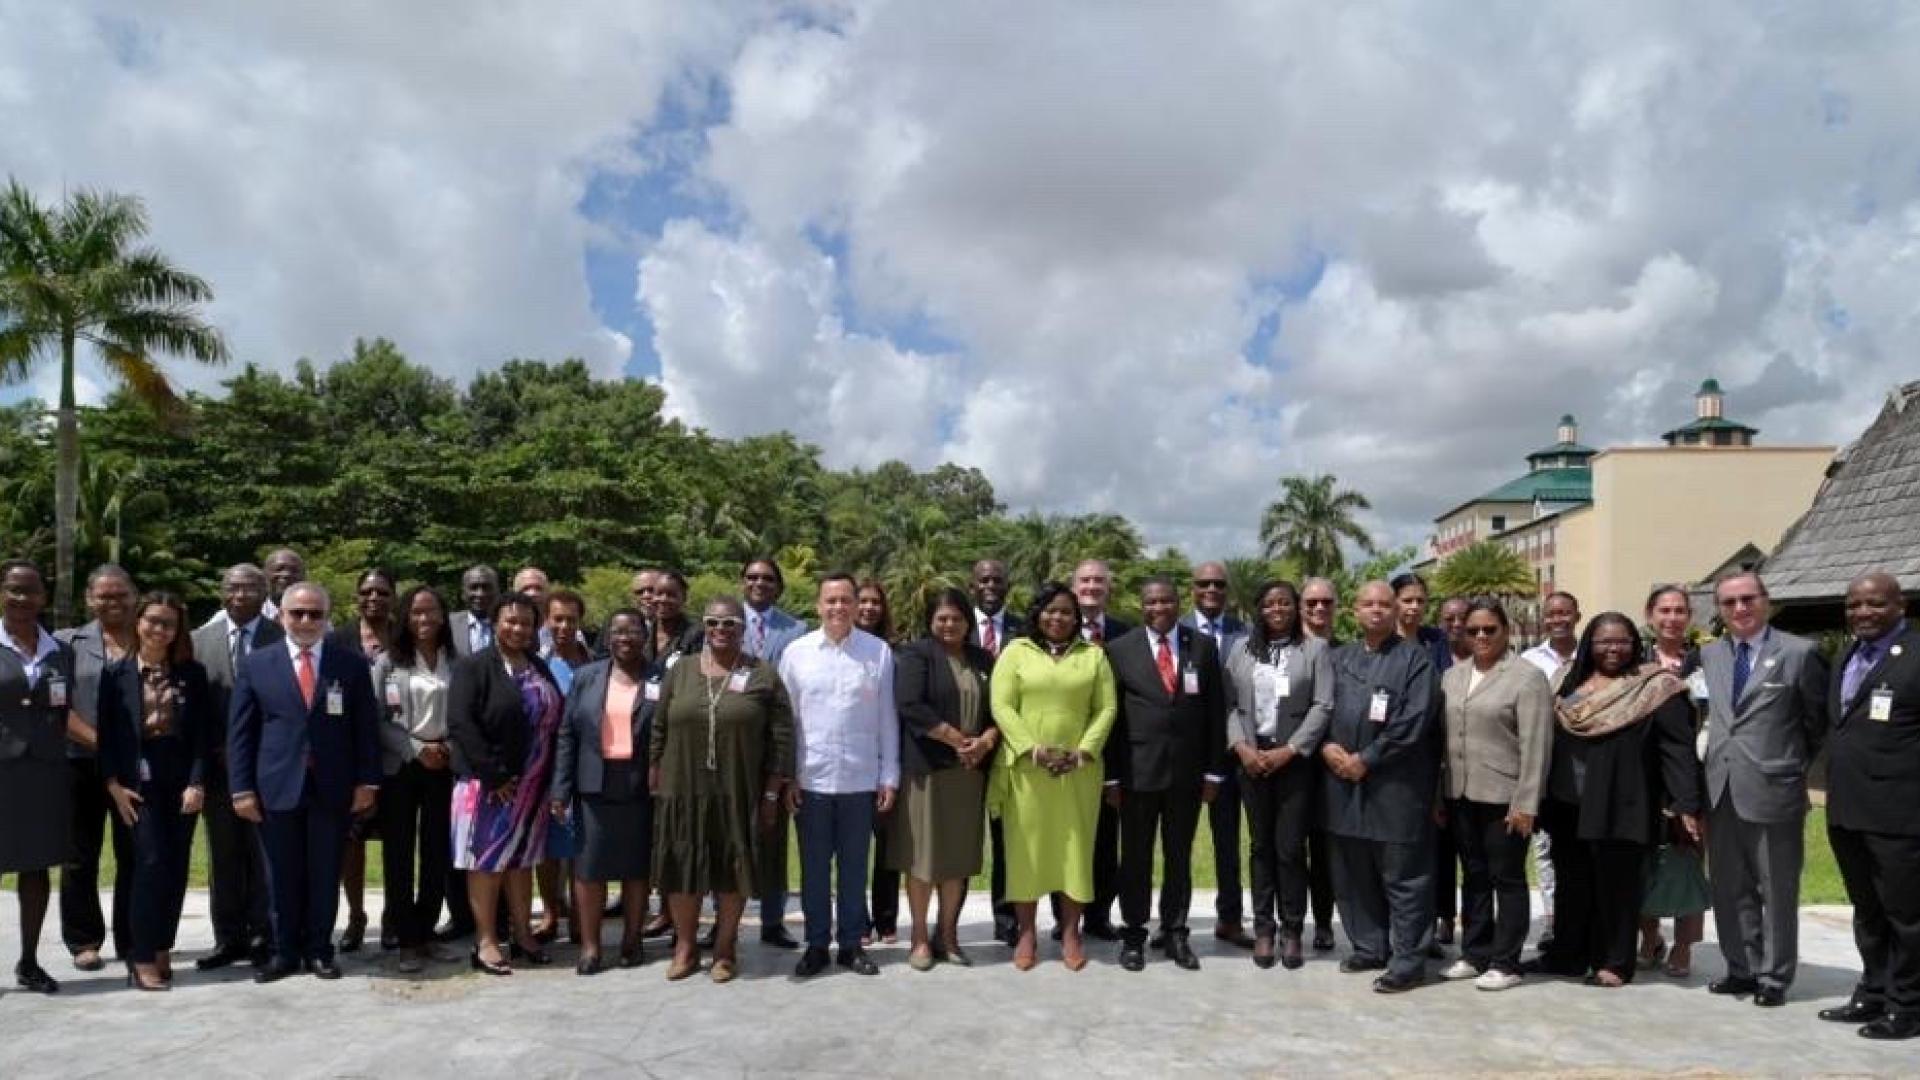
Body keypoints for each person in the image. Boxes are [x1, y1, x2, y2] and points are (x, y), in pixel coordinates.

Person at [1534, 612, 1703, 987]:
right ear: (1589, 645)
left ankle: (1614, 962)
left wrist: (1685, 804)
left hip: (1622, 801)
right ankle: (1568, 954)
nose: (1613, 648)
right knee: (1572, 883)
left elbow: (1677, 751)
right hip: (1566, 803)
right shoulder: (1570, 683)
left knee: (1617, 885)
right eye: (1604, 641)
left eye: (1622, 641)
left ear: (1635, 644)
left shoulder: (1656, 687)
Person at [228, 581, 382, 983]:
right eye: (297, 613)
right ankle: (284, 952)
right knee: (280, 873)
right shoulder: (257, 664)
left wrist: (367, 781)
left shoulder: (349, 664)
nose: (306, 621)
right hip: (275, 787)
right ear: (280, 616)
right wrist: (241, 789)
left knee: (324, 871)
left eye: (315, 613)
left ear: (327, 617)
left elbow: (365, 728)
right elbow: (241, 734)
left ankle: (319, 949)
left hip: (332, 786)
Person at [1699, 571, 1829, 1006]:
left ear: (1766, 601)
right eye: (1729, 602)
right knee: (1728, 887)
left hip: (1774, 789)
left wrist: (1789, 768)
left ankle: (1774, 976)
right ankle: (1741, 968)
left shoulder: (1799, 652)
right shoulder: (1711, 655)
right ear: (1719, 610)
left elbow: (1817, 725)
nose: (1740, 609)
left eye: (1748, 599)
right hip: (1721, 789)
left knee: (1776, 888)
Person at [650, 596, 794, 983]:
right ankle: (685, 946)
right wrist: (654, 770)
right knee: (682, 868)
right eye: (712, 623)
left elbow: (781, 739)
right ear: (703, 626)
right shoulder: (680, 671)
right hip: (683, 788)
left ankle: (725, 947)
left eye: (729, 623)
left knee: (732, 868)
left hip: (738, 788)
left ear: (742, 629)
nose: (720, 630)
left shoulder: (762, 673)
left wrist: (770, 793)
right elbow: (660, 725)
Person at [989, 581, 1117, 972]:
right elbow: (1002, 705)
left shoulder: (1093, 656)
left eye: (1066, 611)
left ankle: (1071, 932)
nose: (1057, 618)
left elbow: (1106, 709)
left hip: (1078, 772)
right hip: (1029, 770)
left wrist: (1084, 752)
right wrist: (1032, 748)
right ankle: (1026, 933)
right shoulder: (1016, 652)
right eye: (1050, 610)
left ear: (1077, 618)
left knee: (1074, 852)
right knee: (1027, 852)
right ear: (1037, 614)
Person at [1321, 580, 1439, 994]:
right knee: (1354, 873)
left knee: (1403, 876)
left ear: (1396, 612)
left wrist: (1366, 759)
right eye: (1368, 604)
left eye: (1384, 604)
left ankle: (1408, 960)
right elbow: (1319, 708)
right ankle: (1369, 945)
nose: (1376, 610)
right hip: (1342, 786)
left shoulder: (1416, 661)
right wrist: (1328, 747)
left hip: (1395, 787)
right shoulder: (1338, 658)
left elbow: (1413, 722)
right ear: (1354, 610)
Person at [1103, 577, 1226, 972]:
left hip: (1187, 777)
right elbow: (1112, 719)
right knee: (1135, 858)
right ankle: (1135, 934)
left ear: (1179, 603)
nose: (1160, 608)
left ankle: (1175, 931)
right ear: (1142, 606)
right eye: (1152, 602)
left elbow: (1214, 714)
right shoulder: (1120, 650)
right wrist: (1112, 778)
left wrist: (1213, 773)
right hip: (1137, 776)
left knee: (1179, 857)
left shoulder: (1202, 647)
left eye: (1167, 601)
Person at [781, 574, 899, 979]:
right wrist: (788, 777)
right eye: (830, 601)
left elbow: (887, 720)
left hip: (859, 779)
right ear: (818, 606)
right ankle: (816, 944)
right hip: (810, 779)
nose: (838, 608)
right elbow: (788, 723)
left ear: (855, 605)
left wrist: (889, 776)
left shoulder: (877, 652)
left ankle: (851, 944)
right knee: (814, 869)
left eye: (846, 600)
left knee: (854, 868)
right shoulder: (796, 654)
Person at [1819, 572, 1920, 1041]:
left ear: (1900, 605)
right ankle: (1873, 991)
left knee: (1906, 914)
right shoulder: (1847, 655)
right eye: (1854, 605)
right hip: (1848, 808)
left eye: (1874, 604)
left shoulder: (1915, 657)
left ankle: (1908, 1005)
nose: (1862, 613)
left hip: (1900, 812)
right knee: (1867, 909)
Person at [97, 591, 213, 991]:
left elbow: (202, 737)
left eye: (168, 623)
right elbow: (107, 736)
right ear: (138, 622)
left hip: (181, 779)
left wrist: (197, 782)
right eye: (153, 621)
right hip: (135, 783)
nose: (159, 630)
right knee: (148, 863)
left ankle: (164, 945)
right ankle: (141, 955)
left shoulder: (191, 673)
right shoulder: (116, 674)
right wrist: (113, 785)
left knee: (176, 864)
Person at [446, 592, 564, 976]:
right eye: (510, 621)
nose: (518, 629)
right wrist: (494, 775)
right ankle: (486, 941)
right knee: (487, 862)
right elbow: (462, 723)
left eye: (526, 623)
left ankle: (523, 934)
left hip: (533, 788)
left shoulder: (538, 667)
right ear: (496, 623)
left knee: (522, 862)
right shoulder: (473, 667)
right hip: (489, 786)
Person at [1437, 600, 1552, 991]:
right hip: (1460, 791)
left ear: (1506, 630)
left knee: (1507, 878)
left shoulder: (1526, 677)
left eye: (1490, 629)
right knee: (1473, 877)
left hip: (1504, 796)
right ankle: (1475, 952)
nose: (1481, 637)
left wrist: (1526, 803)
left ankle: (1506, 961)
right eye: (1473, 631)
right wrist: (1439, 795)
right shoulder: (1453, 676)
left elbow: (1536, 744)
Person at [1224, 579, 1332, 970]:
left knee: (1290, 849)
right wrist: (1242, 749)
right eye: (1269, 603)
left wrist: (1290, 750)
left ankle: (1291, 930)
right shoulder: (1241, 649)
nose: (1277, 609)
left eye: (1285, 603)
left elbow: (1323, 706)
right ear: (1260, 608)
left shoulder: (1315, 649)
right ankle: (1264, 928)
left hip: (1295, 763)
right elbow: (1231, 705)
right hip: (1252, 760)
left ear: (1296, 607)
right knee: (1260, 847)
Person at [891, 587, 997, 970]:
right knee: (923, 857)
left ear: (968, 621)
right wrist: (956, 739)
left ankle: (948, 935)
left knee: (957, 858)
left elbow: (999, 709)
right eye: (942, 618)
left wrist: (985, 741)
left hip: (969, 774)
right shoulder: (917, 655)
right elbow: (910, 705)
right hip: (929, 772)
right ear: (931, 622)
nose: (949, 624)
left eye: (956, 617)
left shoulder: (984, 658)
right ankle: (920, 937)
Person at [552, 609, 654, 975]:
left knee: (635, 869)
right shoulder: (586, 677)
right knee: (589, 868)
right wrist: (560, 790)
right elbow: (567, 734)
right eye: (617, 631)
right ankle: (591, 946)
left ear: (646, 635)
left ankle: (632, 939)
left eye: (633, 631)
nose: (625, 638)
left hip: (642, 785)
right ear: (607, 637)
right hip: (593, 784)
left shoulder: (661, 678)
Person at [190, 563, 279, 969]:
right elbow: (193, 706)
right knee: (223, 854)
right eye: (232, 588)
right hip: (217, 768)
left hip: (268, 766)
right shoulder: (197, 640)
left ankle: (264, 934)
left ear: (264, 593)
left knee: (264, 855)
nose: (240, 595)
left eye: (249, 588)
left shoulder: (282, 637)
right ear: (221, 592)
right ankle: (228, 938)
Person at [55, 564, 138, 974]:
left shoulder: (151, 638)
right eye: (104, 595)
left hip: (134, 771)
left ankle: (132, 936)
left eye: (121, 594)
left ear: (134, 596)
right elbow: (58, 709)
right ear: (89, 599)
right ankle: (84, 940)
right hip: (80, 764)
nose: (113, 601)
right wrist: (106, 745)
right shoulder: (65, 643)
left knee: (135, 854)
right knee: (79, 857)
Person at [370, 585, 457, 974]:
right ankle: (406, 938)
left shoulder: (456, 660)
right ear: (405, 617)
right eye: (417, 612)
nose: (424, 619)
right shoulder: (388, 662)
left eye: (432, 611)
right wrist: (415, 747)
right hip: (402, 765)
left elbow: (466, 712)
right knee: (400, 853)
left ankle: (427, 932)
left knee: (437, 851)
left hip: (445, 764)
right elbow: (377, 719)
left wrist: (448, 748)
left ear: (443, 616)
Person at [0, 559, 76, 994]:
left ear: (44, 598)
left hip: (44, 771)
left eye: (31, 591)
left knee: (36, 868)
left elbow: (63, 713)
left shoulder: (59, 651)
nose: (22, 599)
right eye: (14, 590)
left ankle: (28, 962)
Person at [1638, 584, 1710, 979]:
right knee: (1642, 862)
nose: (1672, 617)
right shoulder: (1635, 660)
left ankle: (1683, 946)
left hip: (1693, 777)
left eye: (1680, 610)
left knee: (1687, 862)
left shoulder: (1704, 661)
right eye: (1664, 610)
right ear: (1650, 615)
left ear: (1690, 616)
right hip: (1644, 781)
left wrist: (1688, 797)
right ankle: (1649, 936)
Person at [1183, 560, 1252, 950]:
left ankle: (1230, 918)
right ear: (1192, 588)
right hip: (1187, 756)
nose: (1211, 589)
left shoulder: (1246, 633)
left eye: (1219, 584)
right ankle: (1174, 920)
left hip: (1232, 754)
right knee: (1179, 842)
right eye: (1204, 583)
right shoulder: (1177, 631)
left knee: (1228, 842)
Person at [740, 557, 805, 948]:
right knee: (730, 834)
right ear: (742, 582)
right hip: (733, 742)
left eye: (767, 579)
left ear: (778, 586)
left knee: (774, 836)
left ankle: (772, 919)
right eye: (752, 577)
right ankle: (722, 918)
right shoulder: (723, 622)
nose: (759, 583)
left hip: (777, 743)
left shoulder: (796, 628)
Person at [331, 568, 395, 954]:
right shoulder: (337, 639)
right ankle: (356, 916)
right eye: (367, 591)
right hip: (350, 758)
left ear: (393, 597)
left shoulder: (403, 640)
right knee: (350, 843)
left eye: (382, 592)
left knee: (396, 843)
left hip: (397, 759)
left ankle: (392, 916)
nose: (374, 598)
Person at [1069, 558, 1128, 941]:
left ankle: (1099, 916)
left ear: (1109, 588)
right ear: (1074, 587)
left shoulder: (1125, 635)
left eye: (1099, 581)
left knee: (1106, 840)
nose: (1092, 586)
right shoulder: (1056, 628)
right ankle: (1065, 918)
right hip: (1064, 753)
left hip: (1110, 752)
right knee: (1069, 837)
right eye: (1085, 580)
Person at [968, 557, 1023, 945]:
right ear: (972, 586)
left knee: (1009, 839)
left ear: (1007, 586)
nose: (990, 585)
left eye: (997, 580)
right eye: (983, 580)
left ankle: (1007, 919)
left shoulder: (1024, 630)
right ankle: (948, 921)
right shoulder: (953, 624)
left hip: (1012, 750)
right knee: (957, 838)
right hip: (963, 750)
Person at [1521, 589, 1580, 950]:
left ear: (1577, 615)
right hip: (1543, 767)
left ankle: (1581, 919)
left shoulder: (1592, 655)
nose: (1557, 619)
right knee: (1544, 850)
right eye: (1551, 614)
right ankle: (1552, 921)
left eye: (1564, 613)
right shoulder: (1529, 661)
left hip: (1583, 767)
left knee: (1579, 849)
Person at [854, 577, 901, 946]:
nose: (869, 608)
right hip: (850, 767)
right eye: (862, 601)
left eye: (875, 602)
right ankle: (859, 919)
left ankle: (886, 919)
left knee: (887, 850)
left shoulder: (895, 652)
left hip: (886, 761)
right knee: (854, 850)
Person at [1298, 576, 1340, 949]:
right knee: (1290, 847)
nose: (1319, 609)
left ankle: (1324, 921)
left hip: (1334, 768)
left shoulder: (1348, 652)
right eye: (1311, 603)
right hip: (1292, 764)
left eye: (1326, 602)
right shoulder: (1284, 650)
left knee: (1326, 850)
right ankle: (1290, 920)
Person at [644, 571, 700, 669]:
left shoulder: (696, 634)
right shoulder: (642, 630)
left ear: (684, 599)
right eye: (659, 593)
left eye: (671, 595)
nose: (663, 599)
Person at [449, 566, 500, 659]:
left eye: (486, 587)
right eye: (474, 587)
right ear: (463, 593)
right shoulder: (449, 624)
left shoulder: (509, 624)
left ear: (497, 591)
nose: (480, 594)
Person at [263, 548, 306, 619]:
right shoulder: (250, 616)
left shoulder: (315, 618)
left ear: (303, 577)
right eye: (279, 569)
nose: (286, 574)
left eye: (294, 570)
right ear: (264, 574)